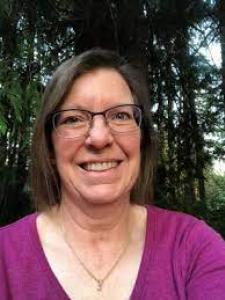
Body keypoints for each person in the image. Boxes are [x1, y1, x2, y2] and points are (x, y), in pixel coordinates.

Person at [0, 48, 225, 300]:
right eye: (73, 119)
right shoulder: (4, 258)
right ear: (50, 148)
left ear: (142, 139)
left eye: (120, 115)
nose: (99, 138)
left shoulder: (194, 248)